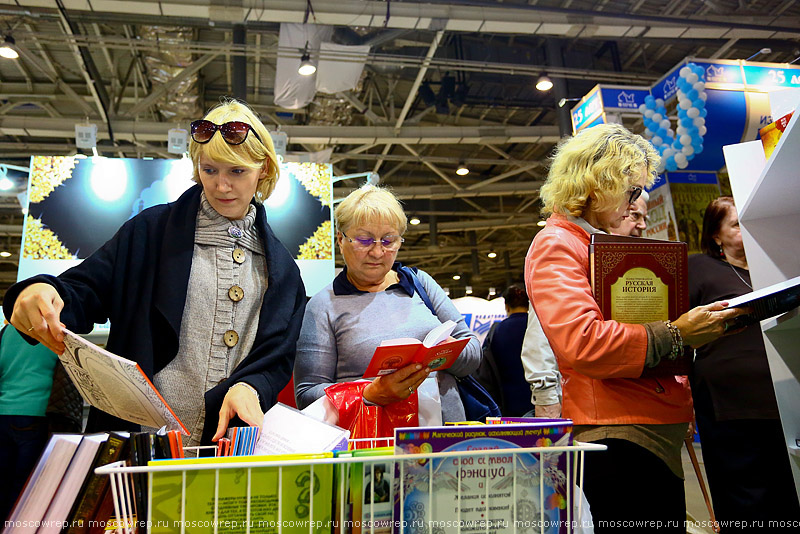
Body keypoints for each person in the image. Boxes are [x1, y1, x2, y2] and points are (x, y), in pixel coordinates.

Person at [3, 99, 306, 447]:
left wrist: (252, 385)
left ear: (263, 168)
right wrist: (40, 292)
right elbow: (85, 290)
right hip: (139, 451)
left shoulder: (282, 270)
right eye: (210, 170)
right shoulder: (151, 232)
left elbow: (278, 356)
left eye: (236, 172)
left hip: (230, 453)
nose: (221, 186)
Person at [524, 123, 746, 530]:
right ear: (597, 183)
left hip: (643, 427)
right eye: (631, 190)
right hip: (618, 431)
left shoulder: (593, 242)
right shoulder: (559, 243)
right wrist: (678, 333)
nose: (635, 203)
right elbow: (582, 342)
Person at [294, 184, 481, 422]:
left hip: (445, 437)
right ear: (340, 239)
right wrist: (370, 393)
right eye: (364, 240)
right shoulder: (323, 306)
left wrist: (444, 353)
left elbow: (473, 353)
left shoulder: (419, 283)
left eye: (388, 240)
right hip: (372, 444)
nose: (377, 252)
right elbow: (307, 395)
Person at [689, 196, 800, 528]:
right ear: (716, 235)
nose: (744, 230)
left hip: (782, 399)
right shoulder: (700, 269)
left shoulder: (774, 269)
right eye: (736, 225)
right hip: (728, 405)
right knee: (745, 499)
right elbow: (682, 331)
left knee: (788, 490)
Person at [522, 189, 650, 419]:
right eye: (634, 215)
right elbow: (541, 338)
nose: (640, 225)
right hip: (591, 408)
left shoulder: (627, 263)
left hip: (632, 403)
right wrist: (546, 397)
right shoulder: (562, 246)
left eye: (643, 217)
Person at [0, 323, 82, 520]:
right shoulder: (58, 331)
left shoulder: (7, 331)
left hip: (3, 413)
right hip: (37, 414)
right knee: (26, 488)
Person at [475, 284, 534, 416]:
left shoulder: (497, 330)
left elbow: (485, 367)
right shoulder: (537, 328)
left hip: (507, 400)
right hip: (537, 397)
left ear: (506, 306)